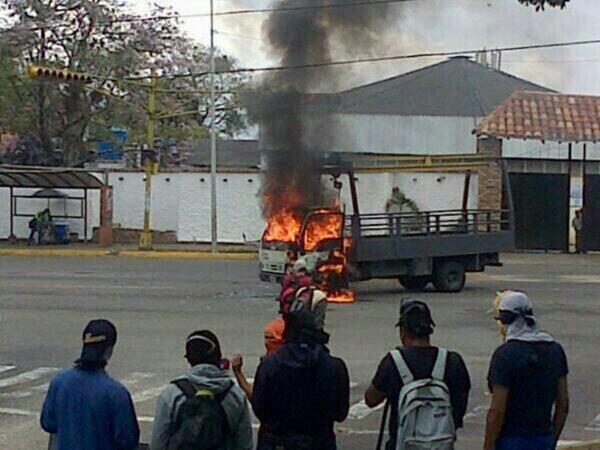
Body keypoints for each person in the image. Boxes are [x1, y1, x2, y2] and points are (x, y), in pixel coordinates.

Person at [365, 299, 471, 450]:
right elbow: (459, 408)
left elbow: (371, 399)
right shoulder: (453, 361)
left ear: (403, 331)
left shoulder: (393, 361)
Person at [252, 309, 350, 450]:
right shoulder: (334, 367)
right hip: (319, 442)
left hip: (277, 442)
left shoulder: (269, 365)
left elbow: (260, 409)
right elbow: (341, 413)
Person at [484, 291, 569, 450]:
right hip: (543, 437)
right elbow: (563, 403)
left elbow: (497, 410)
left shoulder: (504, 355)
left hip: (511, 440)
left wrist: (488, 445)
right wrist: (552, 439)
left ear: (505, 321)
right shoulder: (555, 350)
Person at [40, 319, 139, 450]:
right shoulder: (116, 393)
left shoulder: (59, 382)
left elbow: (48, 423)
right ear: (109, 350)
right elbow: (127, 440)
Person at [150, 330, 253, 450]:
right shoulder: (235, 396)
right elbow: (244, 444)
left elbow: (158, 444)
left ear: (189, 360)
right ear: (218, 357)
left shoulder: (172, 394)